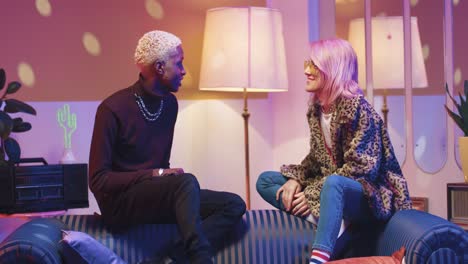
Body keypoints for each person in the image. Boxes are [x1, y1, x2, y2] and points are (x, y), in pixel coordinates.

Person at [89, 30, 246, 264]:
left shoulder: (170, 104)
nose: (183, 71)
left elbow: (162, 167)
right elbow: (98, 180)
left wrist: (163, 178)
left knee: (233, 204)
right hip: (120, 204)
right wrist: (155, 175)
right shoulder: (112, 109)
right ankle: (200, 258)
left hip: (153, 195)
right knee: (186, 182)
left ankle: (172, 257)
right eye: (179, 63)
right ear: (160, 67)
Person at [256, 38, 412, 264]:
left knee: (334, 184)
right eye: (307, 63)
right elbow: (315, 159)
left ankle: (318, 258)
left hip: (369, 196)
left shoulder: (358, 109)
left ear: (334, 70)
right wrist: (295, 180)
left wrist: (311, 194)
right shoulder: (317, 109)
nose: (306, 70)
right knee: (266, 181)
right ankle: (326, 220)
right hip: (331, 187)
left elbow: (361, 169)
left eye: (315, 65)